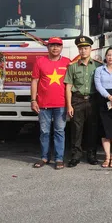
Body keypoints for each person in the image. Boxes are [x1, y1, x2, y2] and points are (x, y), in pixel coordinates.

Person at [31, 37, 71, 170]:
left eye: (58, 46)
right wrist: (33, 100)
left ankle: (59, 159)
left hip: (61, 104)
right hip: (43, 104)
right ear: (48, 47)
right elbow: (35, 81)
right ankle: (44, 157)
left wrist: (70, 104)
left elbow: (70, 84)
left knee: (60, 131)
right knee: (44, 132)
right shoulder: (40, 61)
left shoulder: (67, 62)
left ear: (61, 48)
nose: (55, 48)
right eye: (52, 45)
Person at [65, 36, 102, 167]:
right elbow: (68, 86)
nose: (83, 51)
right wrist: (69, 105)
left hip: (93, 100)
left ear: (91, 49)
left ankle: (91, 155)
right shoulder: (72, 67)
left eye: (86, 48)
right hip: (77, 100)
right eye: (80, 48)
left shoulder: (98, 66)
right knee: (76, 129)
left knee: (92, 129)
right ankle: (75, 156)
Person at [94, 47, 112, 168]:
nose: (111, 57)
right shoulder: (99, 70)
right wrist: (109, 97)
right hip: (103, 100)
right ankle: (107, 157)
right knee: (105, 130)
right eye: (109, 55)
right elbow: (98, 85)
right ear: (105, 57)